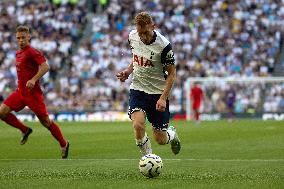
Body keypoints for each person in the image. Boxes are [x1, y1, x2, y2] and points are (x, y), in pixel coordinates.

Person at [116, 12, 181, 156]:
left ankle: (172, 134)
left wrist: (163, 98)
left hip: (158, 94)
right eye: (140, 33)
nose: (143, 36)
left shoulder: (164, 46)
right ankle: (148, 158)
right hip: (138, 89)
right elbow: (137, 57)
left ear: (153, 26)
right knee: (138, 125)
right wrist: (127, 71)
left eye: (145, 32)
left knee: (160, 139)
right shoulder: (132, 37)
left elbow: (172, 74)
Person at [0, 25, 69, 159]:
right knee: (1, 112)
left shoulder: (32, 51)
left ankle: (64, 143)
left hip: (33, 94)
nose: (21, 40)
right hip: (20, 92)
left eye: (23, 38)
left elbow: (45, 67)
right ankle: (24, 130)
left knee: (46, 122)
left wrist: (33, 79)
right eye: (18, 38)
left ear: (29, 37)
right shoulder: (17, 53)